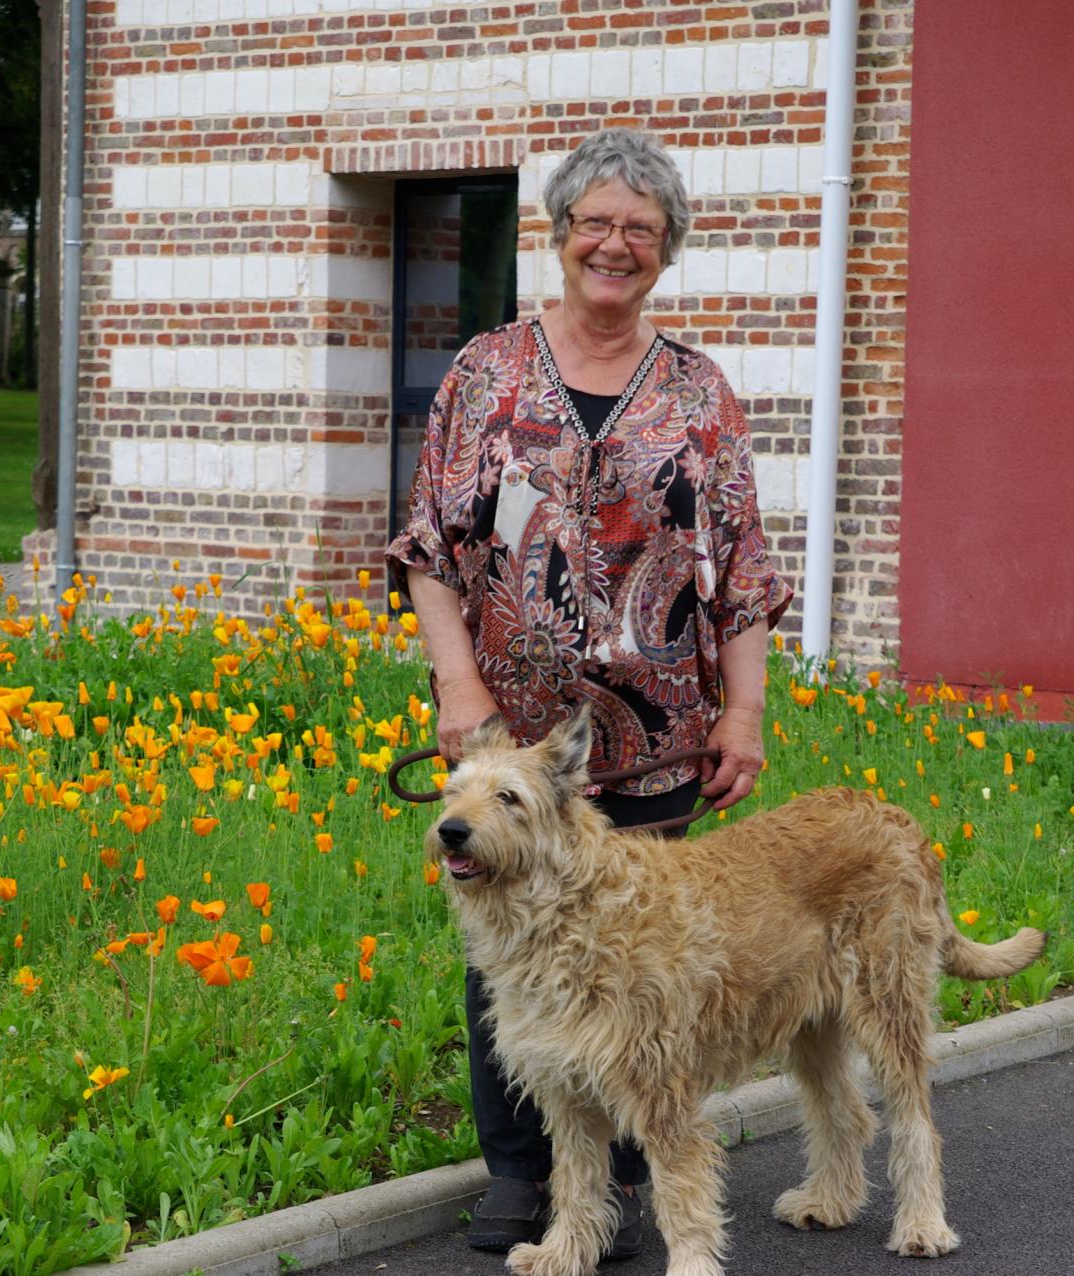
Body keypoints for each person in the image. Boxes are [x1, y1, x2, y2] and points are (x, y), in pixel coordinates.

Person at [384, 127, 794, 1258]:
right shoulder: (486, 373)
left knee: (641, 970)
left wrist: (745, 710)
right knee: (514, 946)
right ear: (559, 237)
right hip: (514, 737)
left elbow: (743, 569)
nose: (615, 247)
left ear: (665, 252)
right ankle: (524, 1176)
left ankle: (619, 1188)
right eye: (596, 225)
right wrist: (457, 681)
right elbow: (429, 546)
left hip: (658, 733)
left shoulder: (700, 393)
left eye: (642, 231)